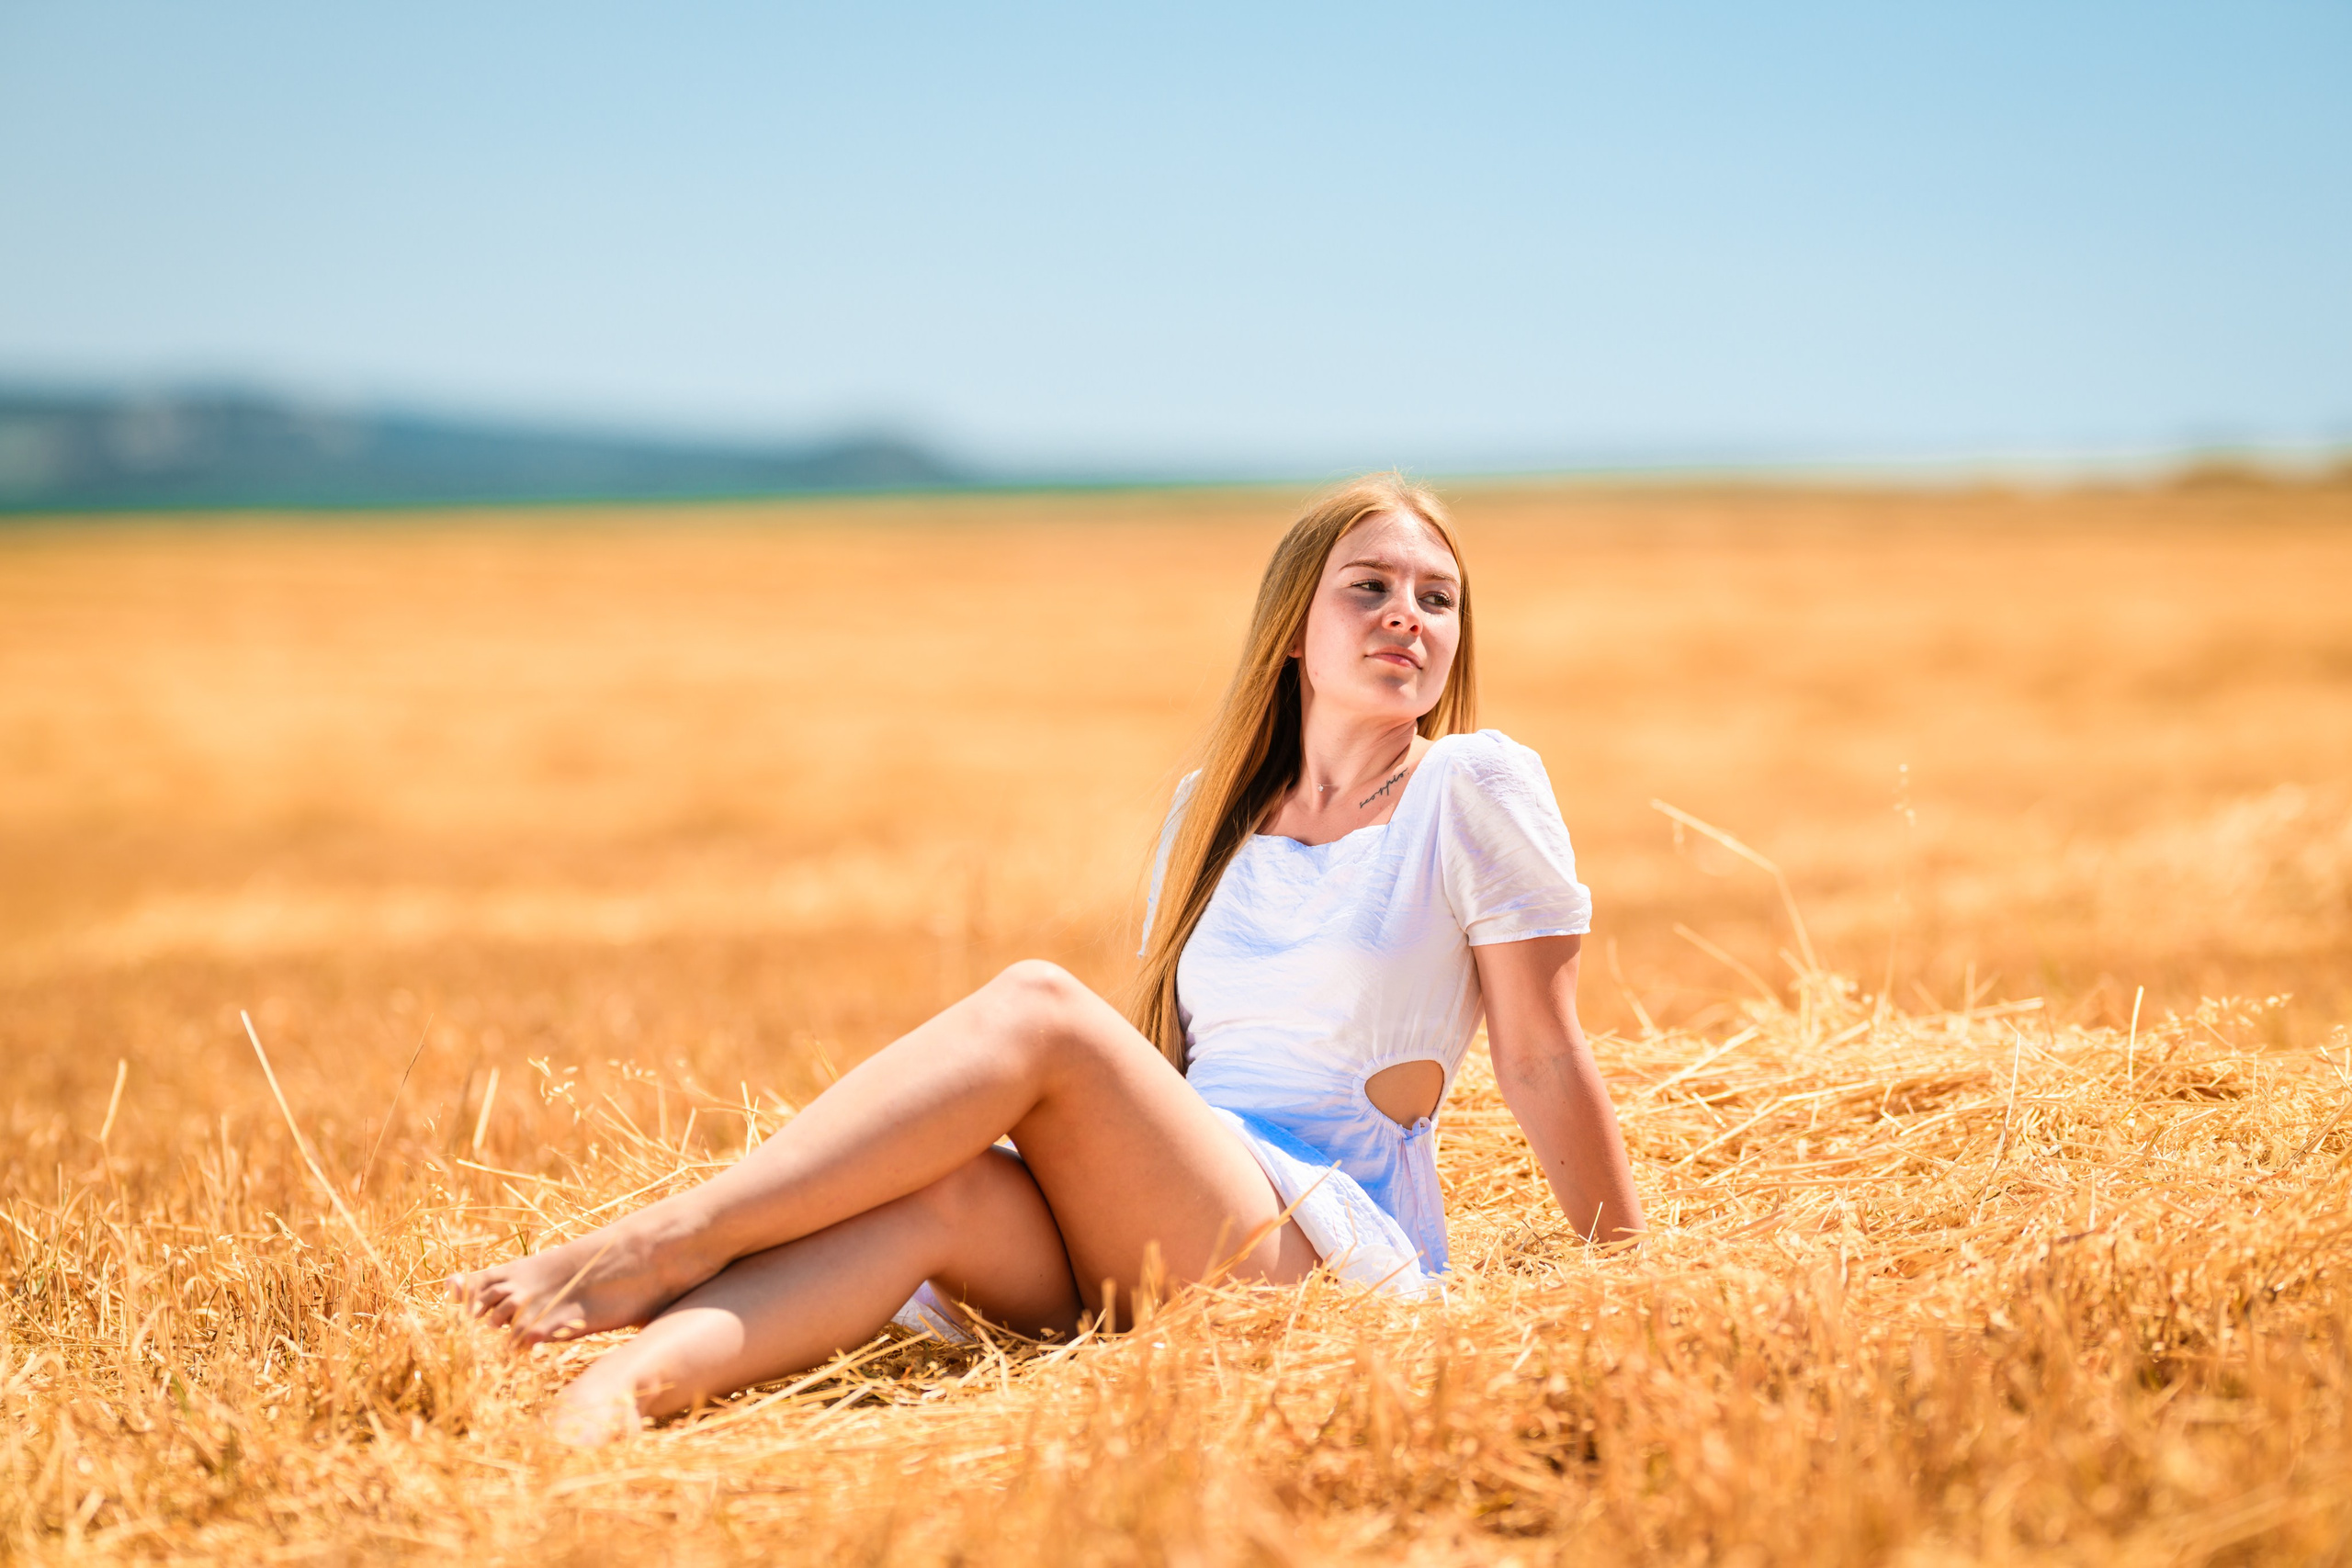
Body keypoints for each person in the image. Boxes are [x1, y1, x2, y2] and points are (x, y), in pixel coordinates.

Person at [450, 472, 1645, 1444]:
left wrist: (1635, 1294)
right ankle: (604, 1403)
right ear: (1292, 630)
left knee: (1039, 1008)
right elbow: (1174, 1066)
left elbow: (1540, 1055)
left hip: (1317, 1257)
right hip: (1173, 1216)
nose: (1408, 616)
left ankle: (671, 1240)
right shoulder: (1212, 813)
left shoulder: (1474, 787)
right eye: (1370, 587)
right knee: (940, 1192)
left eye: (1439, 600)